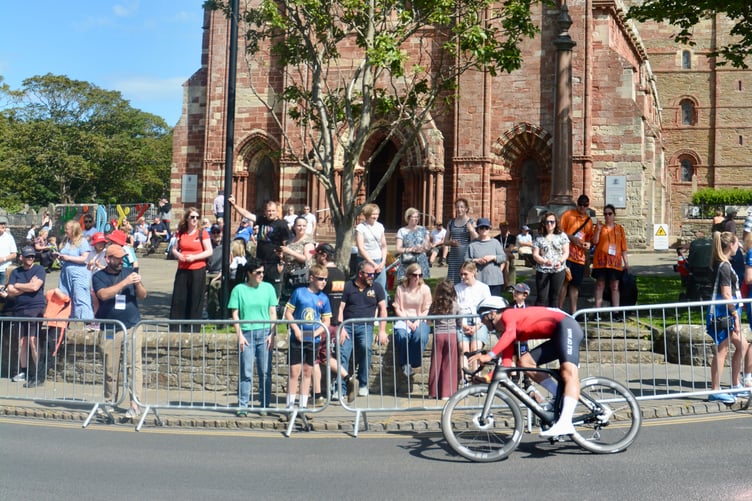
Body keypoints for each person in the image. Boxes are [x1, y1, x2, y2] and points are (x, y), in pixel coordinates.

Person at [470, 296, 585, 437]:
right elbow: (506, 364)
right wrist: (488, 378)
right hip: (557, 334)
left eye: (482, 317)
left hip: (567, 326)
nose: (481, 322)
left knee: (568, 372)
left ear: (492, 313)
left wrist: (489, 356)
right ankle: (559, 394)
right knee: (524, 363)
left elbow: (510, 334)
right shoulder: (505, 332)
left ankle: (566, 423)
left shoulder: (509, 315)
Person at [92, 244, 147, 418]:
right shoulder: (99, 276)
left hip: (132, 326)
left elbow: (143, 295)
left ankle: (134, 404)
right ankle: (110, 402)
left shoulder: (130, 271)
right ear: (108, 259)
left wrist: (137, 284)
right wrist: (125, 282)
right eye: (117, 258)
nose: (121, 261)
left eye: (122, 258)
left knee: (134, 367)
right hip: (110, 328)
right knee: (110, 367)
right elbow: (103, 295)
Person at [706, 231, 752, 404]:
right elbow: (726, 294)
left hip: (725, 312)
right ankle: (715, 390)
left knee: (743, 346)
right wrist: (735, 315)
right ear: (730, 245)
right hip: (723, 313)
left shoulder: (722, 263)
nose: (738, 246)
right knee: (722, 350)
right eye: (736, 243)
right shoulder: (724, 266)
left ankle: (734, 384)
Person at [228, 257, 278, 415]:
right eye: (258, 273)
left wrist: (273, 334)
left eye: (262, 272)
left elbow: (272, 312)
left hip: (264, 333)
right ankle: (243, 405)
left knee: (265, 371)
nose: (261, 275)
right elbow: (235, 314)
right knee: (246, 371)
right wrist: (240, 335)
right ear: (249, 273)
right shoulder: (239, 290)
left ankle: (264, 405)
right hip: (247, 333)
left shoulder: (269, 288)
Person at [311, 243, 355, 402]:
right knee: (326, 358)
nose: (315, 257)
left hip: (323, 322)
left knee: (316, 358)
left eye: (317, 254)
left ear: (323, 255)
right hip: (336, 322)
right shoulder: (341, 274)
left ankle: (317, 395)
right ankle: (347, 378)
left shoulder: (322, 275)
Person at [338, 261, 389, 397]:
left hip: (366, 325)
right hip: (347, 325)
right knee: (343, 352)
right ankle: (340, 389)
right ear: (360, 274)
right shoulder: (348, 286)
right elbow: (340, 308)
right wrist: (340, 327)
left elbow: (383, 309)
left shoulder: (377, 288)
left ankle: (363, 384)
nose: (373, 276)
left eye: (374, 274)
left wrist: (382, 330)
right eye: (370, 274)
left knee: (366, 347)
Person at [284, 263, 332, 409]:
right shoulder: (299, 292)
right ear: (311, 278)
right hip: (297, 337)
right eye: (320, 279)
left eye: (325, 279)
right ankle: (290, 406)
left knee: (307, 371)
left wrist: (315, 333)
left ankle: (303, 406)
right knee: (294, 371)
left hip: (313, 339)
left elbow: (326, 321)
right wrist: (296, 330)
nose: (323, 282)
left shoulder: (324, 298)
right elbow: (288, 313)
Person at [3, 246, 46, 386]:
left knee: (33, 341)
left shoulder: (39, 270)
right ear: (21, 257)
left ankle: (38, 373)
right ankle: (24, 371)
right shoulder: (16, 272)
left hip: (35, 308)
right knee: (22, 341)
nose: (31, 259)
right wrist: (27, 285)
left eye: (32, 256)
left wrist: (18, 286)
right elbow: (10, 291)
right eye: (28, 256)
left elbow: (35, 287)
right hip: (20, 309)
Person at [230, 197, 288, 299]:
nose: (271, 213)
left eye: (273, 211)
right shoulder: (261, 220)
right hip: (260, 262)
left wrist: (282, 262)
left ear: (277, 211)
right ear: (265, 211)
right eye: (268, 211)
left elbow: (285, 245)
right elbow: (247, 214)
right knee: (259, 290)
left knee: (273, 293)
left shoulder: (282, 224)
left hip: (274, 264)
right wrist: (234, 205)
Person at [169, 208, 213, 330]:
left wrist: (194, 257)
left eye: (197, 217)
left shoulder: (202, 233)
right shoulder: (181, 232)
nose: (195, 219)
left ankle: (193, 328)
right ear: (187, 218)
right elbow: (174, 249)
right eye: (192, 217)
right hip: (183, 269)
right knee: (179, 298)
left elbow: (209, 251)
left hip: (197, 269)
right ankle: (176, 328)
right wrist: (179, 255)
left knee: (195, 299)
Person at [392, 262, 432, 383]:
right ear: (409, 275)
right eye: (415, 275)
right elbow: (397, 307)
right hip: (404, 318)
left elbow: (427, 308)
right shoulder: (401, 288)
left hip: (420, 318)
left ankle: (414, 362)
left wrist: (418, 321)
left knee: (419, 335)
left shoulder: (425, 289)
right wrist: (407, 321)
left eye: (420, 275)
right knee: (401, 335)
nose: (418, 277)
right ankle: (405, 363)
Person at [592, 204, 630, 316]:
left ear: (614, 215)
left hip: (615, 263)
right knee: (600, 285)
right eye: (605, 214)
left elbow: (623, 248)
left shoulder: (619, 229)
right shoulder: (600, 227)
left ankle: (616, 312)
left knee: (615, 286)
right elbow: (594, 242)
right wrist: (598, 230)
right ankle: (597, 312)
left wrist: (626, 263)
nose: (607, 216)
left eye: (610, 214)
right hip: (601, 262)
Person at [559, 194, 594, 312]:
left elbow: (589, 240)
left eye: (585, 205)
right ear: (577, 204)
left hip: (579, 257)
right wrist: (571, 238)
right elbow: (559, 232)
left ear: (588, 206)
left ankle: (574, 312)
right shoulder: (568, 215)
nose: (582, 207)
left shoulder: (588, 221)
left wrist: (588, 245)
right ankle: (559, 309)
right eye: (580, 204)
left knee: (575, 285)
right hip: (567, 255)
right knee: (564, 282)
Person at [454, 260, 491, 372]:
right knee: (463, 349)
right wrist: (463, 325)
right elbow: (457, 309)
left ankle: (476, 377)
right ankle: (465, 379)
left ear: (473, 272)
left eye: (465, 274)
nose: (463, 277)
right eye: (461, 274)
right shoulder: (457, 288)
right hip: (463, 321)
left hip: (480, 321)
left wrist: (477, 326)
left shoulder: (483, 288)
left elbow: (487, 310)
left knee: (475, 348)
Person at [427, 279, 461, 399]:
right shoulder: (455, 305)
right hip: (451, 335)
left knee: (436, 363)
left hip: (438, 335)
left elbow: (429, 320)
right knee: (449, 363)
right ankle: (447, 393)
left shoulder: (435, 304)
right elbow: (459, 321)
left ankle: (433, 392)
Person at [56, 220, 94, 321]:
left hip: (79, 274)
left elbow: (85, 258)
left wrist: (68, 258)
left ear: (74, 230)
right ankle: (70, 320)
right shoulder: (66, 241)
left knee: (80, 298)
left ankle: (85, 321)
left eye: (67, 229)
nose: (65, 231)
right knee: (66, 297)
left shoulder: (82, 241)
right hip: (65, 274)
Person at [532, 212, 570, 307]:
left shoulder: (562, 236)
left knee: (554, 297)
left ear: (556, 223)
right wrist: (544, 261)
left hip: (558, 270)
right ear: (543, 223)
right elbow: (535, 254)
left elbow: (566, 252)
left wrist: (560, 261)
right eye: (547, 222)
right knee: (542, 297)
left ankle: (553, 320)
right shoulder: (539, 237)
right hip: (543, 270)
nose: (549, 224)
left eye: (552, 222)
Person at [465, 217, 506, 295]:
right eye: (481, 227)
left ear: (489, 229)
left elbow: (503, 257)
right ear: (478, 229)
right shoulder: (472, 244)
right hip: (478, 279)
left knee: (494, 303)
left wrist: (493, 257)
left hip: (494, 280)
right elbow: (466, 260)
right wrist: (476, 260)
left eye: (486, 228)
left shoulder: (495, 242)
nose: (484, 229)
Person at [443, 198, 477, 284]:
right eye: (457, 207)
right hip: (454, 257)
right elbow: (445, 241)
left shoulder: (471, 222)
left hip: (466, 256)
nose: (459, 209)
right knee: (453, 281)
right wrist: (451, 242)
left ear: (466, 209)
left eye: (462, 207)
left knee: (465, 279)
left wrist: (472, 230)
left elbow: (476, 240)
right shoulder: (451, 222)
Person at [280, 216, 315, 301]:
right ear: (294, 227)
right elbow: (288, 258)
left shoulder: (309, 242)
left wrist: (290, 252)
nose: (301, 228)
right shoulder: (290, 241)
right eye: (299, 225)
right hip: (288, 277)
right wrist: (282, 256)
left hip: (301, 278)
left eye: (304, 226)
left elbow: (307, 259)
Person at [355, 203, 388, 292]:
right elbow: (361, 248)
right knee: (363, 286)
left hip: (379, 261)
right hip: (365, 260)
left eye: (377, 214)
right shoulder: (361, 227)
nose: (375, 216)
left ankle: (382, 305)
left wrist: (383, 262)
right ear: (367, 214)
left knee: (380, 287)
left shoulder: (380, 226)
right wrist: (373, 264)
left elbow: (384, 246)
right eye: (373, 214)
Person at [395, 207, 430, 282]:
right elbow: (398, 249)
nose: (416, 219)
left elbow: (428, 246)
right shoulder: (402, 231)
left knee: (421, 286)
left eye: (417, 217)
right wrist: (411, 249)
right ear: (408, 218)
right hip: (408, 262)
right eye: (414, 217)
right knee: (406, 285)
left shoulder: (423, 230)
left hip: (421, 261)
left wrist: (424, 247)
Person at [494, 221, 516, 289]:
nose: (505, 229)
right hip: (501, 256)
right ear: (500, 228)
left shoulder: (512, 237)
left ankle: (505, 282)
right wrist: (504, 250)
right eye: (504, 227)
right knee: (506, 260)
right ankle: (506, 283)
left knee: (506, 256)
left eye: (507, 227)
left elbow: (510, 249)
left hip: (509, 255)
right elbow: (495, 250)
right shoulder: (496, 238)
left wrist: (501, 249)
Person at [0, 216, 18, 285]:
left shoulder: (9, 237)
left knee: (3, 292)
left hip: (4, 269)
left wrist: (3, 259)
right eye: (1, 224)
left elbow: (14, 254)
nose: (3, 225)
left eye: (4, 224)